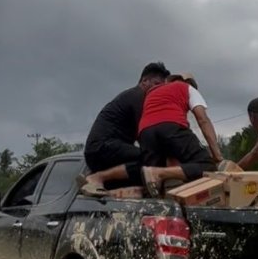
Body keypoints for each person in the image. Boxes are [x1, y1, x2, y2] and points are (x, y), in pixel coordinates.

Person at [81, 62, 169, 191]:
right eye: (156, 84)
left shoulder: (135, 97)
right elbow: (146, 136)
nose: (159, 89)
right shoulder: (137, 96)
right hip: (102, 148)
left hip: (103, 151)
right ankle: (97, 177)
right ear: (144, 81)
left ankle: (103, 184)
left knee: (144, 169)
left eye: (162, 87)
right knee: (152, 159)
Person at [137, 74, 222, 195]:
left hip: (145, 132)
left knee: (153, 184)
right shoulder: (187, 88)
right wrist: (217, 156)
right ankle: (158, 173)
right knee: (206, 166)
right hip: (170, 125)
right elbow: (203, 120)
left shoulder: (154, 92)